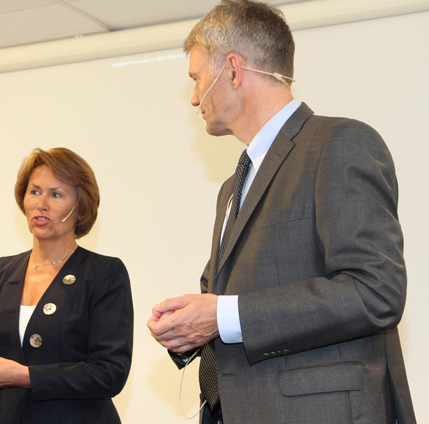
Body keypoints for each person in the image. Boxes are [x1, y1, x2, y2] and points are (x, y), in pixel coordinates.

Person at [147, 1, 416, 423]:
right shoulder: (231, 188)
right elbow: (229, 306)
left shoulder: (339, 144)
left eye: (197, 78)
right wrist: (188, 328)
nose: (195, 97)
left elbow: (376, 292)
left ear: (233, 70)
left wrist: (222, 315)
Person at [0, 147, 133, 423]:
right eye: (34, 192)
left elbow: (110, 373)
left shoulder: (103, 273)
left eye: (56, 194)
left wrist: (27, 377)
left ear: (80, 209)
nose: (41, 203)